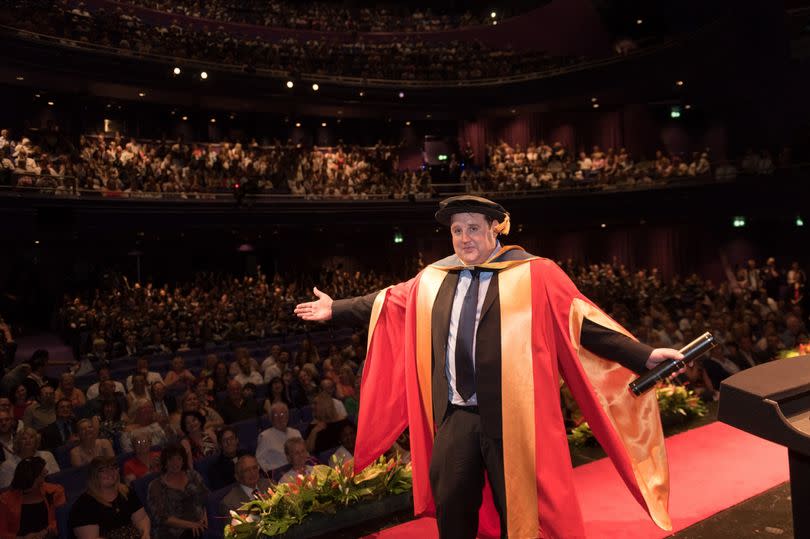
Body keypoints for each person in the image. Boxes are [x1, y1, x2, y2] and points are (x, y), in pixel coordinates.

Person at [294, 195, 681, 538]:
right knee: (452, 505)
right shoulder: (432, 279)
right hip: (457, 416)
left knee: (520, 512)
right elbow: (385, 302)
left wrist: (642, 355)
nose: (464, 238)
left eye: (473, 229)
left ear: (495, 229)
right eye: (457, 230)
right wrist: (335, 309)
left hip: (515, 418)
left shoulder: (535, 273)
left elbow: (583, 322)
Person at [69, 456, 151, 539]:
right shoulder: (83, 506)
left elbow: (141, 518)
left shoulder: (127, 492)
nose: (110, 472)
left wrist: (145, 533)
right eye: (103, 470)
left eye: (113, 468)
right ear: (93, 475)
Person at [147, 443, 209, 539]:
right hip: (174, 531)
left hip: (199, 523)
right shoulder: (156, 486)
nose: (175, 463)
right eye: (171, 460)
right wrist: (191, 525)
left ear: (183, 460)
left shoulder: (193, 475)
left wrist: (205, 516)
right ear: (165, 462)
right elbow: (162, 517)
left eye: (179, 459)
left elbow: (207, 497)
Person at [0, 456, 66, 539]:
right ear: (31, 480)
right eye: (41, 476)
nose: (46, 473)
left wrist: (46, 532)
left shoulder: (55, 491)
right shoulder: (5, 500)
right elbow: (2, 532)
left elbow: (61, 520)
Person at [255, 402, 300, 473]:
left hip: (298, 468)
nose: (280, 418)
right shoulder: (265, 436)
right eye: (276, 415)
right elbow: (259, 460)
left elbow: (304, 453)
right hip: (279, 473)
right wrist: (270, 474)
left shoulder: (296, 433)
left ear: (287, 417)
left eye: (282, 414)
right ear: (271, 419)